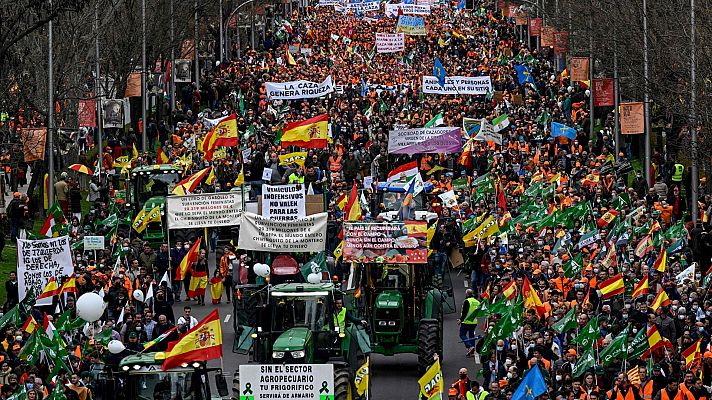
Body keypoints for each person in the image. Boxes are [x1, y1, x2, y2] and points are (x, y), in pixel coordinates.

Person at [457, 289, 479, 357]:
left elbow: (465, 312)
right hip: (474, 321)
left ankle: (469, 346)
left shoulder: (467, 301)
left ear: (466, 294)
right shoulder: (477, 302)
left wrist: (460, 320)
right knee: (471, 335)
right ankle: (472, 351)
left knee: (462, 334)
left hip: (466, 321)